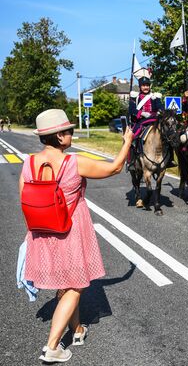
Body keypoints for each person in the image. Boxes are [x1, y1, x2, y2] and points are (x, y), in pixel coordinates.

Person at [19, 109, 133, 363]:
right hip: (69, 229)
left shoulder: (28, 163)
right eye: (68, 130)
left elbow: (24, 200)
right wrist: (126, 143)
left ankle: (77, 329)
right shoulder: (74, 162)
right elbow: (114, 168)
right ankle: (52, 347)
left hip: (41, 232)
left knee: (68, 282)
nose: (71, 133)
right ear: (59, 136)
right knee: (75, 285)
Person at [128, 70, 175, 169]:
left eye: (147, 85)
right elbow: (131, 110)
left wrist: (160, 112)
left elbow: (160, 106)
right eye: (144, 85)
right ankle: (132, 160)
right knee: (133, 137)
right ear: (140, 86)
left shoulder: (155, 97)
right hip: (140, 121)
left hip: (154, 120)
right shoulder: (135, 97)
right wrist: (141, 113)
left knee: (168, 135)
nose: (146, 87)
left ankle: (170, 159)